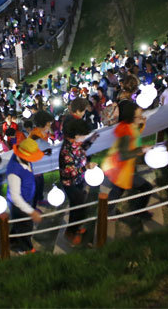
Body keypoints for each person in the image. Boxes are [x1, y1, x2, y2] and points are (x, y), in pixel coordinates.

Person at [102, 100, 153, 219]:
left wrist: (141, 124)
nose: (141, 116)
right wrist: (141, 150)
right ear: (131, 117)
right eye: (138, 115)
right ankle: (139, 211)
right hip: (122, 168)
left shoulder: (129, 126)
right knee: (146, 187)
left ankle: (106, 211)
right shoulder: (125, 131)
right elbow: (123, 155)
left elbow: (135, 135)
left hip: (124, 166)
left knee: (118, 189)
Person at [59, 117, 98, 245]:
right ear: (76, 135)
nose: (85, 137)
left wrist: (90, 141)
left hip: (79, 180)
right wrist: (86, 167)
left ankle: (76, 227)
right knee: (76, 208)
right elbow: (70, 172)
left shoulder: (75, 143)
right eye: (84, 135)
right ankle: (70, 232)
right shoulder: (66, 151)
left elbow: (81, 150)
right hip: (70, 184)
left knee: (80, 205)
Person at [7, 138, 43, 254]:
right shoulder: (14, 170)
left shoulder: (24, 160)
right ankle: (25, 249)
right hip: (19, 204)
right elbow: (16, 197)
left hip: (27, 198)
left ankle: (12, 240)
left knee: (18, 224)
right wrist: (31, 212)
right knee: (25, 226)